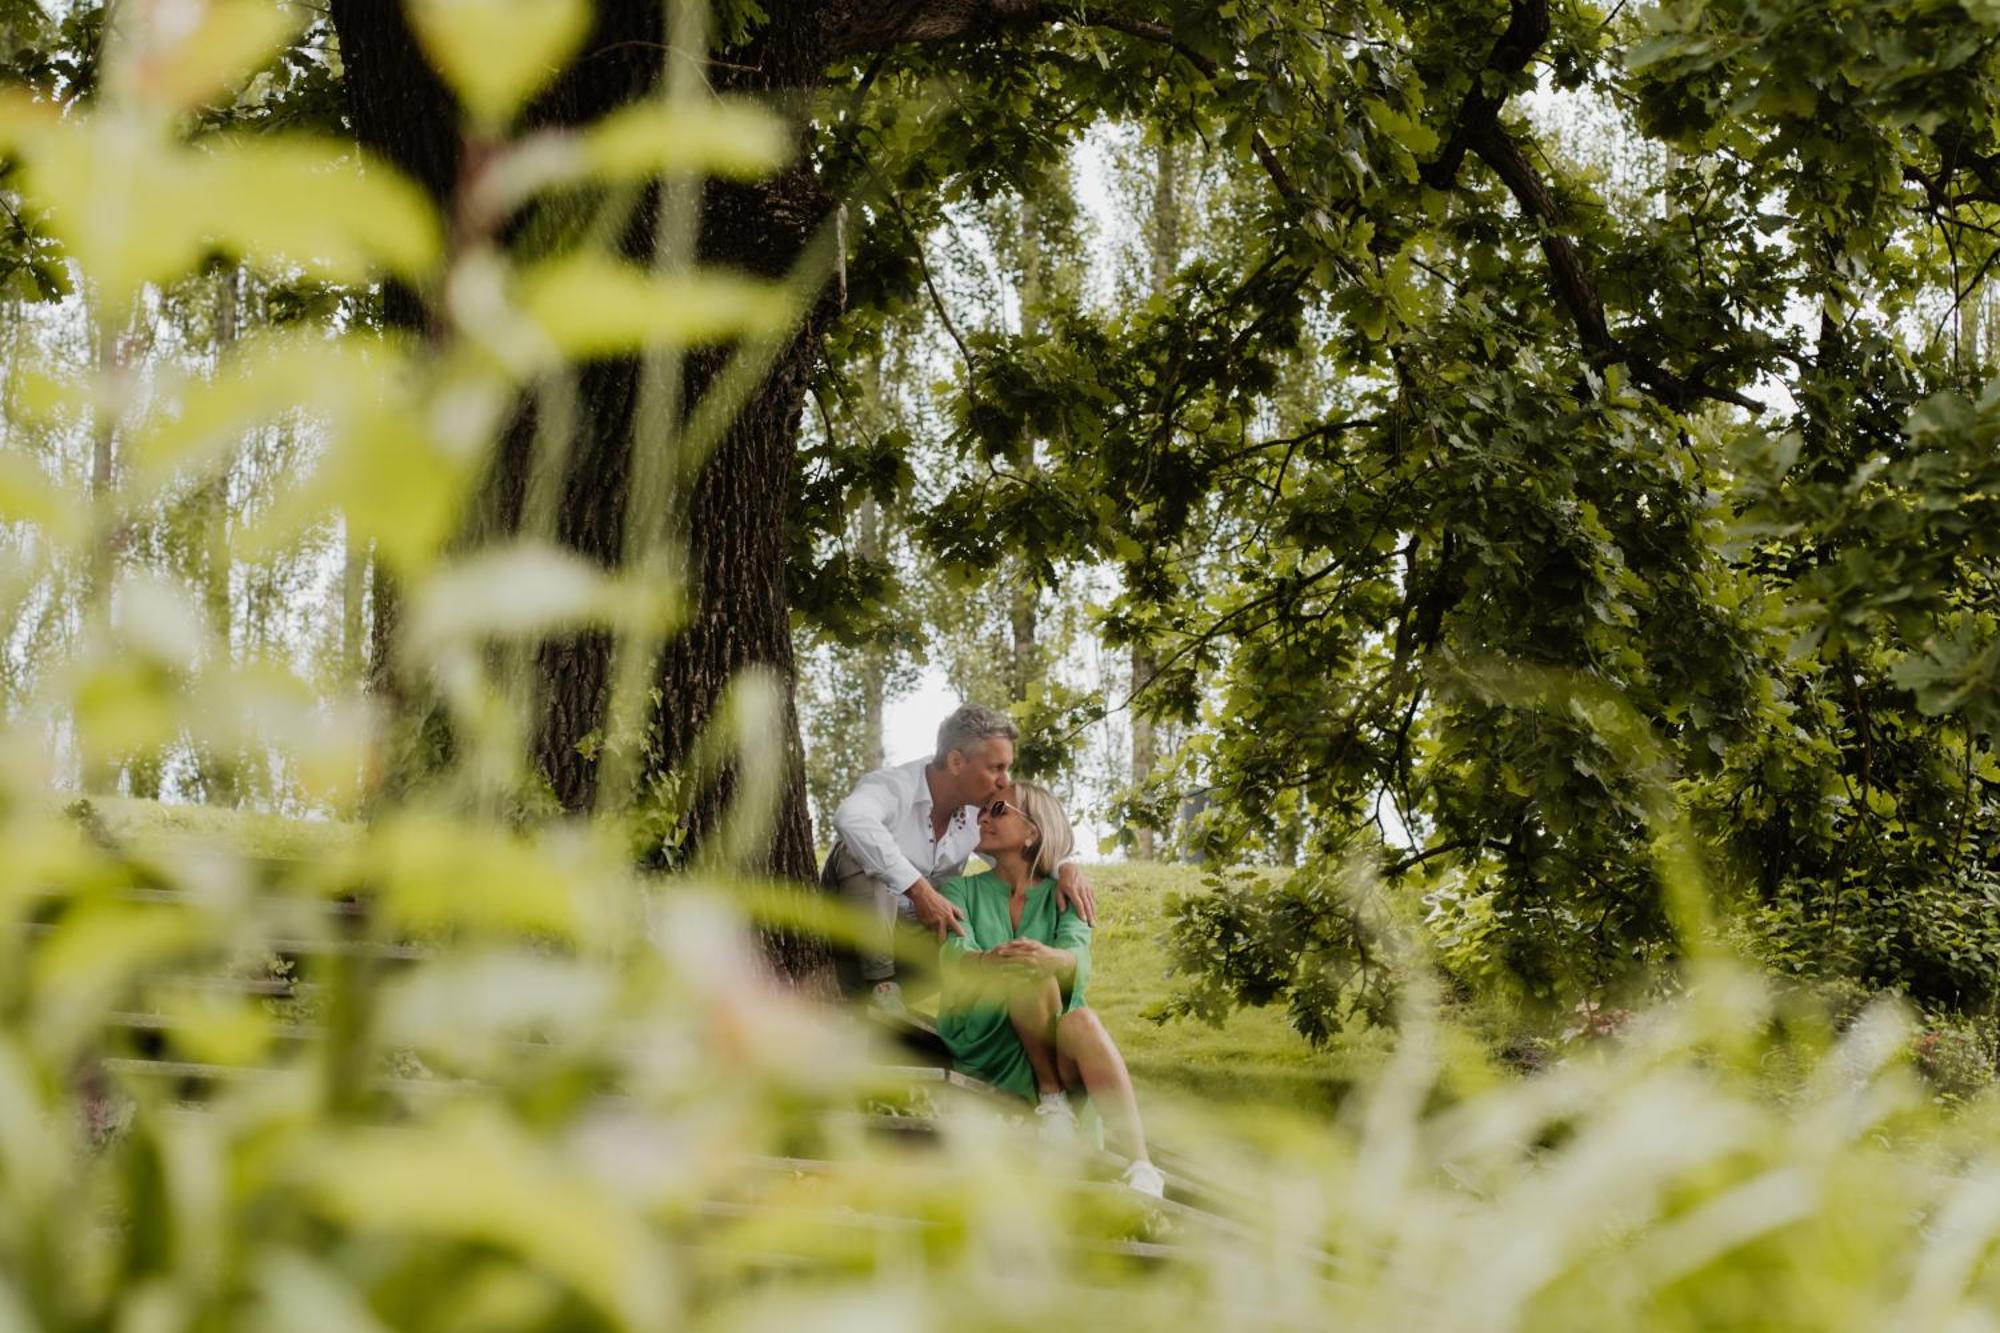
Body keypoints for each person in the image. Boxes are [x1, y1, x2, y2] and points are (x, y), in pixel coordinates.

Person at [936, 781, 1166, 1198]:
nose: (982, 817)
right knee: (1026, 969)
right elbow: (953, 957)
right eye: (981, 810)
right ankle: (1053, 1099)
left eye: (999, 809)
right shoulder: (960, 889)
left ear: (1033, 831)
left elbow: (1078, 959)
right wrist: (990, 961)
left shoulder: (1066, 891)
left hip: (1054, 1028)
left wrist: (1049, 956)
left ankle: (1141, 1164)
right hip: (986, 1031)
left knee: (1081, 1019)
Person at [824, 704, 1096, 1011]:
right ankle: (880, 986)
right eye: (996, 768)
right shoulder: (893, 787)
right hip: (850, 934)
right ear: (955, 761)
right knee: (855, 850)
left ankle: (1007, 1014)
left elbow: (1021, 850)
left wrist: (1066, 867)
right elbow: (850, 818)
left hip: (915, 947)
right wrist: (919, 890)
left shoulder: (979, 815)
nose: (1005, 781)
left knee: (972, 912)